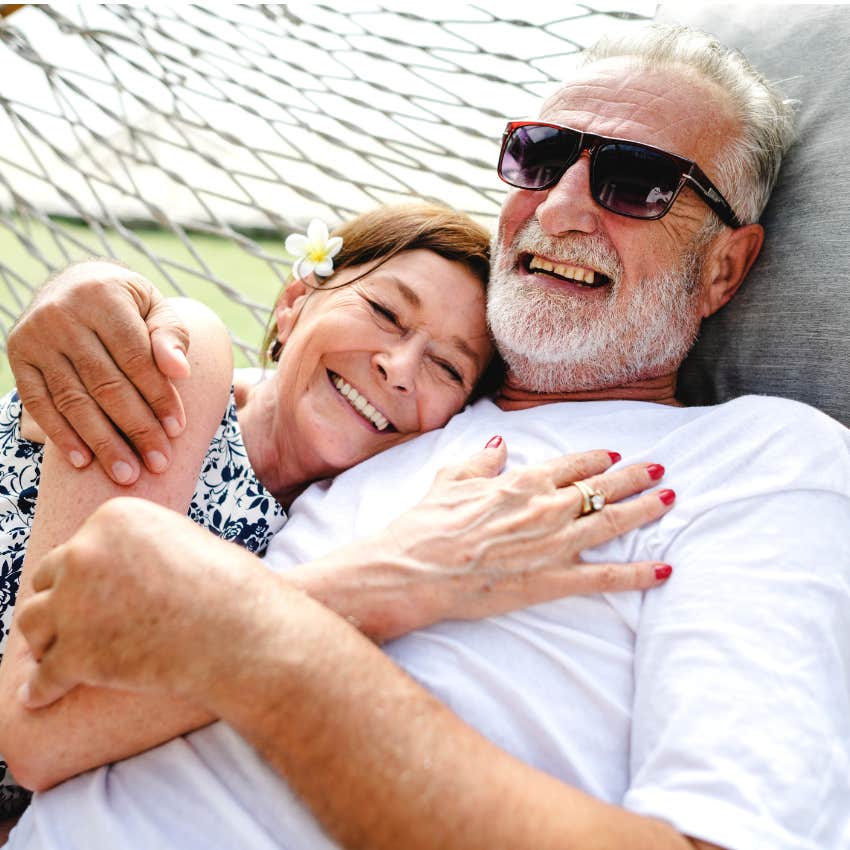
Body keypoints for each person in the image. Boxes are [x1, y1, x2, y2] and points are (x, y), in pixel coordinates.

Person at [5, 22, 850, 850]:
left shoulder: (764, 464)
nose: (560, 206)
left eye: (636, 182)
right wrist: (99, 296)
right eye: (542, 156)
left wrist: (260, 639)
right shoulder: (384, 429)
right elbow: (45, 720)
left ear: (723, 267)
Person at [0, 204, 674, 820]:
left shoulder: (319, 536)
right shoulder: (186, 361)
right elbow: (38, 712)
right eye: (386, 313)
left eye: (447, 367)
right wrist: (398, 579)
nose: (399, 366)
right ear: (294, 304)